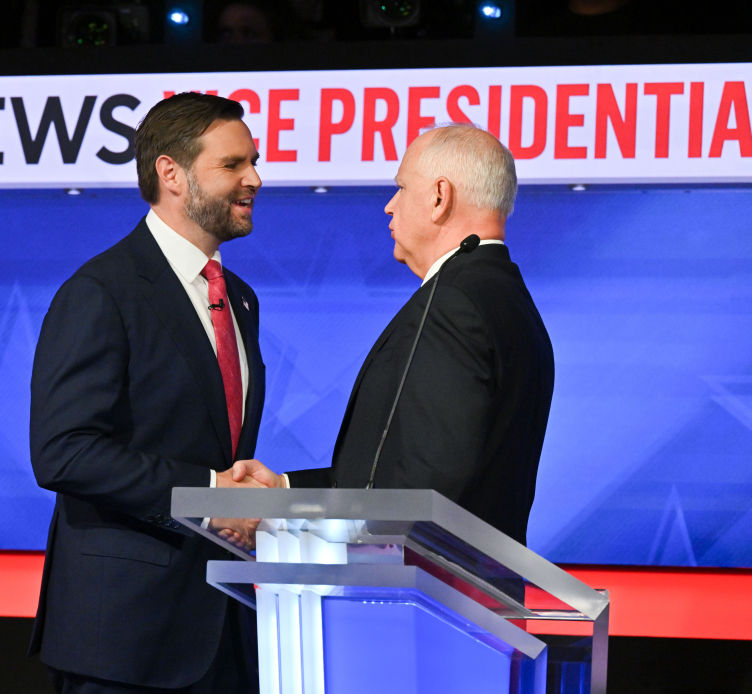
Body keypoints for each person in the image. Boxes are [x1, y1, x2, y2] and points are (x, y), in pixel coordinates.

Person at [29, 92, 266, 693]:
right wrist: (210, 494)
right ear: (171, 174)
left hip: (224, 628)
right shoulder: (102, 291)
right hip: (124, 639)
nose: (255, 179)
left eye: (254, 161)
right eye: (233, 164)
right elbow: (65, 451)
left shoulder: (239, 297)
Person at [235, 124, 554, 545]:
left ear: (440, 197)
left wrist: (305, 527)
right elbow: (387, 472)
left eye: (402, 188)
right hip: (467, 590)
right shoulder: (510, 301)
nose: (389, 206)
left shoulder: (455, 305)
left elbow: (421, 488)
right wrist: (285, 492)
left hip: (419, 596)